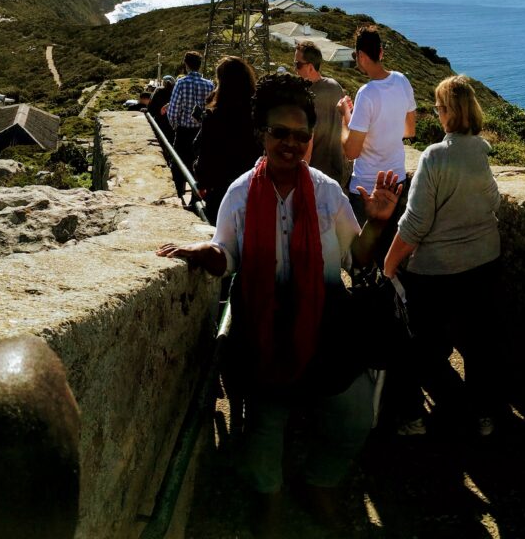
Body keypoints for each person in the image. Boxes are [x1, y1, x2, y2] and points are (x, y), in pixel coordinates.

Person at [156, 74, 402, 536]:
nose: (291, 143)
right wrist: (202, 253)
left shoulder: (327, 191)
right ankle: (267, 496)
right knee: (266, 428)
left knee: (352, 420)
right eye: (280, 133)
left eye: (301, 136)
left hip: (325, 323)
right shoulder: (240, 194)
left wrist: (378, 223)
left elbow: (357, 257)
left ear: (312, 140)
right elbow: (227, 254)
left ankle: (319, 482)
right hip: (264, 324)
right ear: (261, 134)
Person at [381, 76, 506, 437]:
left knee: (420, 342)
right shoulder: (480, 151)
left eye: (438, 107)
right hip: (484, 262)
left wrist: (389, 265)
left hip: (439, 272)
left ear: (449, 112)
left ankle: (420, 416)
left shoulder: (434, 156)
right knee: (480, 344)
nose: (436, 113)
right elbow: (494, 201)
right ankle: (484, 415)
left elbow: (415, 224)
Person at [339, 26, 416, 284]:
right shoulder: (402, 81)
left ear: (361, 55)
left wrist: (344, 119)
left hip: (368, 188)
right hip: (397, 181)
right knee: (388, 257)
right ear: (381, 52)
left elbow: (351, 151)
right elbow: (409, 129)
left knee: (363, 259)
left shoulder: (366, 93)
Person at [191, 56, 260, 222]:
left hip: (222, 193)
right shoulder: (258, 114)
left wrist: (201, 182)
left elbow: (204, 159)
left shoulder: (214, 117)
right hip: (254, 191)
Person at [294, 41, 349, 187]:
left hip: (313, 175)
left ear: (310, 67)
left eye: (298, 65)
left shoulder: (306, 97)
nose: (295, 69)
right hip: (335, 172)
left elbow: (306, 143)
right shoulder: (335, 87)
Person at [165, 51, 213, 184]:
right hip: (201, 133)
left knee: (179, 165)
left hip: (183, 132)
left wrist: (176, 126)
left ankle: (179, 194)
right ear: (199, 65)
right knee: (198, 166)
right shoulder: (209, 84)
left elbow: (173, 111)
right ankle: (195, 200)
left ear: (186, 64)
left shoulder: (181, 83)